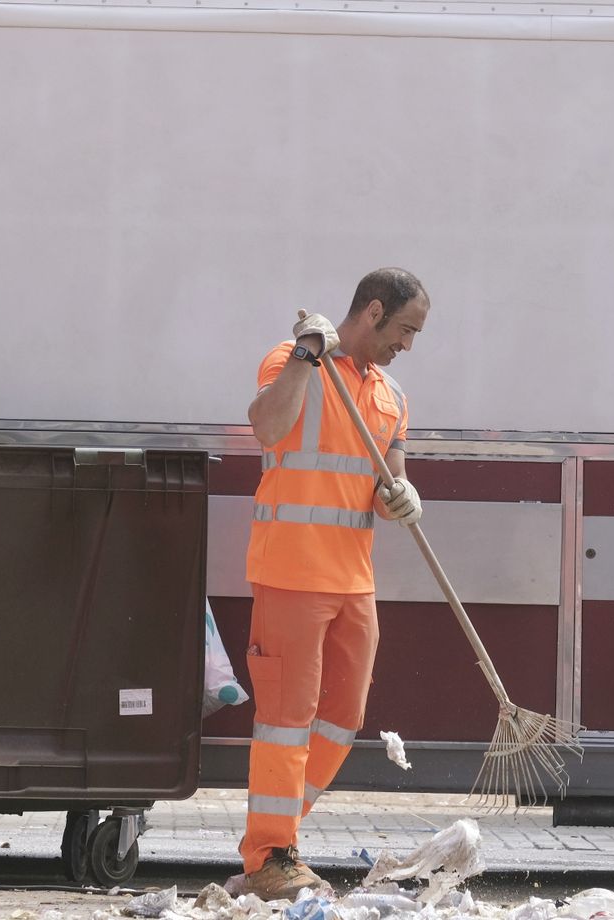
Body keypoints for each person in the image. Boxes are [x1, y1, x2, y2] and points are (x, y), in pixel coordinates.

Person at [234, 268, 429, 899]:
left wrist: (401, 496)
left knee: (342, 717)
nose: (408, 343)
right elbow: (266, 428)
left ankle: (279, 836)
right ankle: (271, 854)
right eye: (404, 329)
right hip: (291, 571)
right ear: (373, 312)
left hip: (353, 579)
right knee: (287, 719)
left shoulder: (391, 395)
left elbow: (385, 482)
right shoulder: (295, 362)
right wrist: (304, 356)